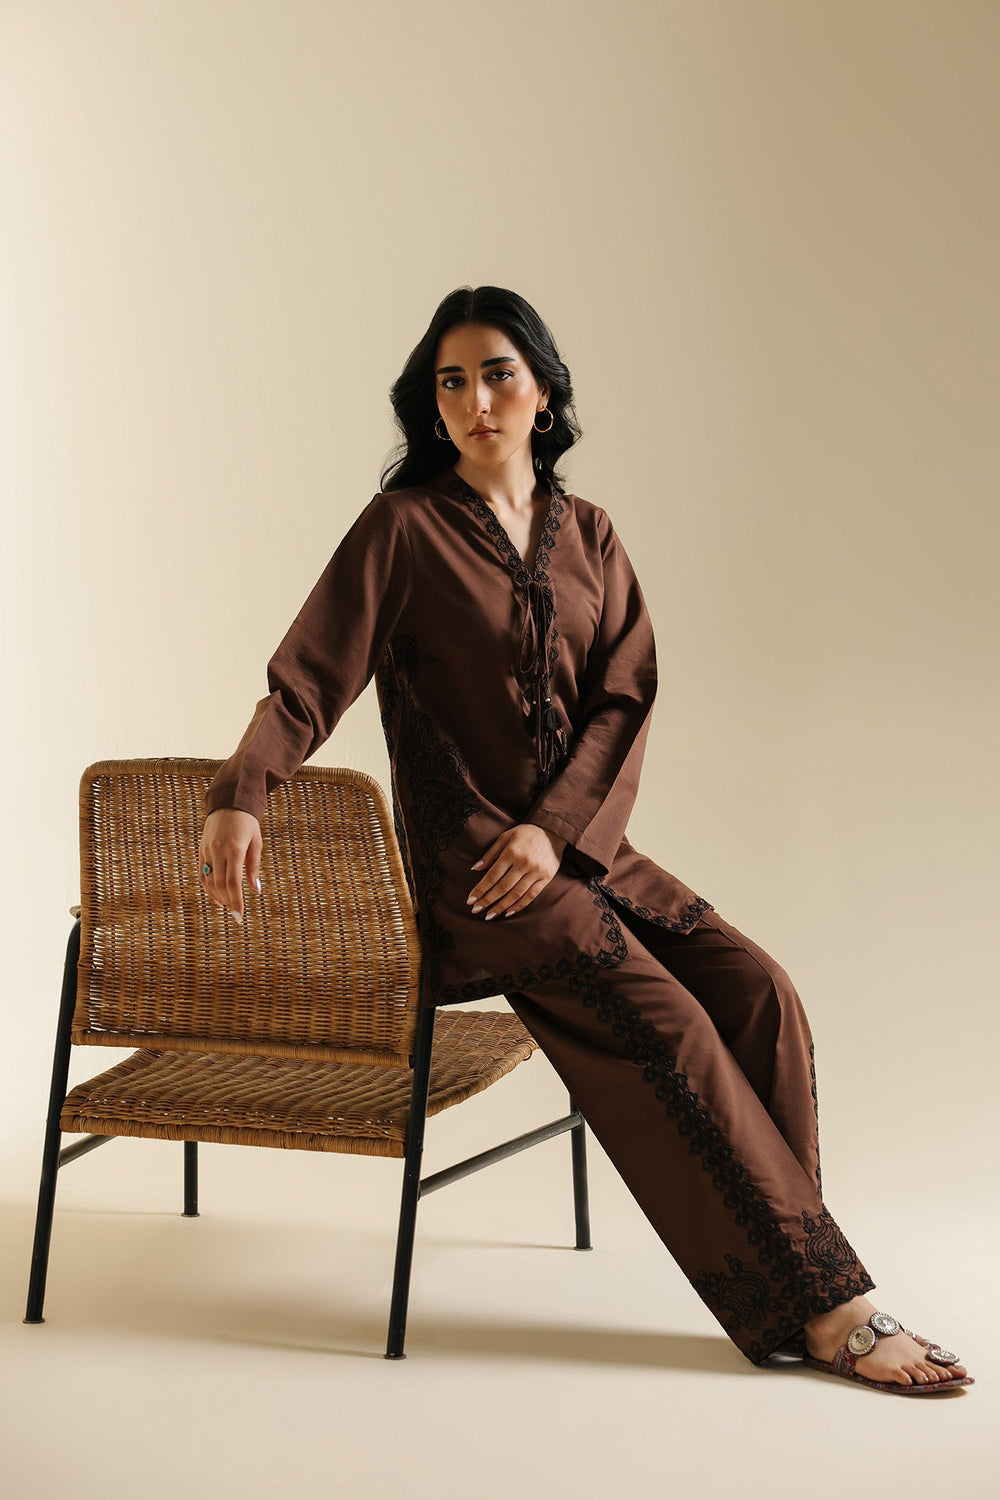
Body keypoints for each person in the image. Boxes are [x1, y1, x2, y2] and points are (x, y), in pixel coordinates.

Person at [199, 285, 973, 1394]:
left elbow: (626, 697)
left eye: (497, 375)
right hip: (477, 877)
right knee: (673, 1028)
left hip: (582, 855)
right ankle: (831, 1309)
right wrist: (244, 791)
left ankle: (792, 1279)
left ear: (544, 394)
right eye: (451, 382)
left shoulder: (592, 534)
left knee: (761, 993)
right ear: (432, 404)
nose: (475, 400)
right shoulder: (402, 530)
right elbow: (309, 676)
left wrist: (555, 832)